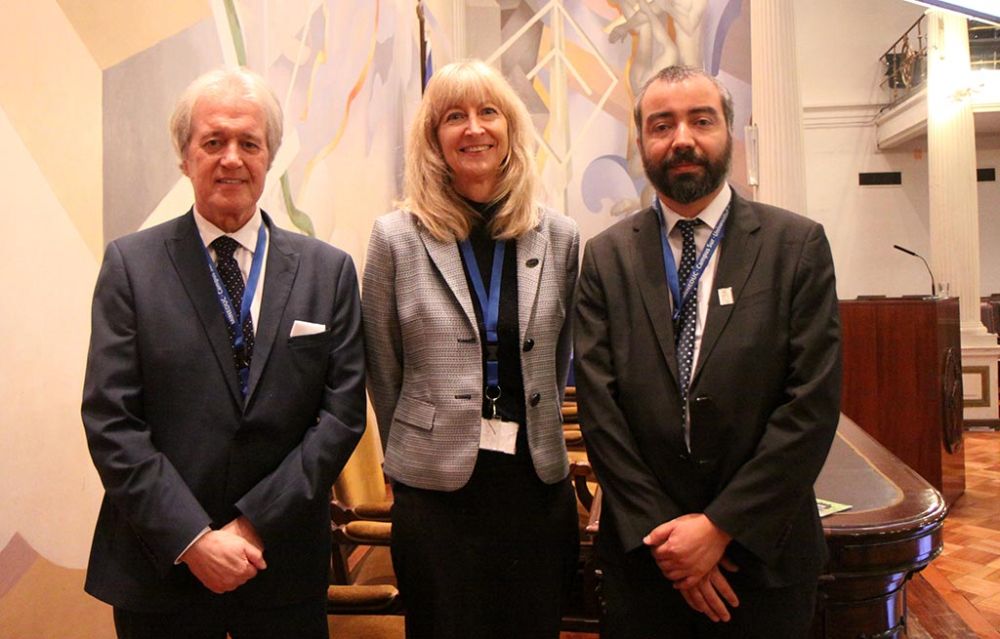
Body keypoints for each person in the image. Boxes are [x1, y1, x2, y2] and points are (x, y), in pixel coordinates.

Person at [81, 67, 366, 639]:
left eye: (249, 143)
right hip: (161, 568)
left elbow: (340, 417)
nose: (231, 158)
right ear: (185, 157)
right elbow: (112, 420)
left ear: (270, 157)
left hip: (281, 566)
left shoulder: (328, 271)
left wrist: (255, 525)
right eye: (213, 142)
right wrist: (193, 540)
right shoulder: (131, 267)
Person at [574, 65, 841, 637]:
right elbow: (600, 411)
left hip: (763, 561)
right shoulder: (605, 257)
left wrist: (719, 528)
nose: (682, 139)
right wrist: (672, 541)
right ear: (641, 142)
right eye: (661, 125)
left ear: (729, 132)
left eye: (701, 120)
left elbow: (811, 405)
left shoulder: (796, 246)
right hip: (647, 563)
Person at [363, 59, 580, 639]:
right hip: (434, 490)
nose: (474, 128)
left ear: (510, 127)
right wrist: (410, 450)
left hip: (533, 483)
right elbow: (382, 363)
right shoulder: (395, 238)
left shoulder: (559, 236)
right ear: (434, 137)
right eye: (454, 116)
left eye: (488, 112)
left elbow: (557, 354)